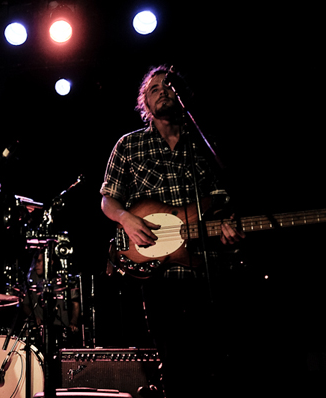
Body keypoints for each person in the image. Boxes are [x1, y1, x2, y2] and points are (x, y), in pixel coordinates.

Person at [100, 66, 245, 397]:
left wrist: (228, 227)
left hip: (209, 270)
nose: (163, 90)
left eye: (169, 86)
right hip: (160, 279)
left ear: (183, 97)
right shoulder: (130, 145)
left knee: (222, 365)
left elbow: (223, 203)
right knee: (177, 366)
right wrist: (125, 218)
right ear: (145, 104)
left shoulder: (206, 146)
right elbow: (108, 200)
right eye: (153, 89)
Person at [22, 250, 81, 348]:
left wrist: (73, 323)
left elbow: (75, 303)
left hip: (62, 328)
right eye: (36, 261)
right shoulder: (32, 280)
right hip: (40, 330)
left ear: (50, 261)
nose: (36, 265)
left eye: (40, 261)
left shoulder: (62, 279)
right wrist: (34, 317)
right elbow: (25, 304)